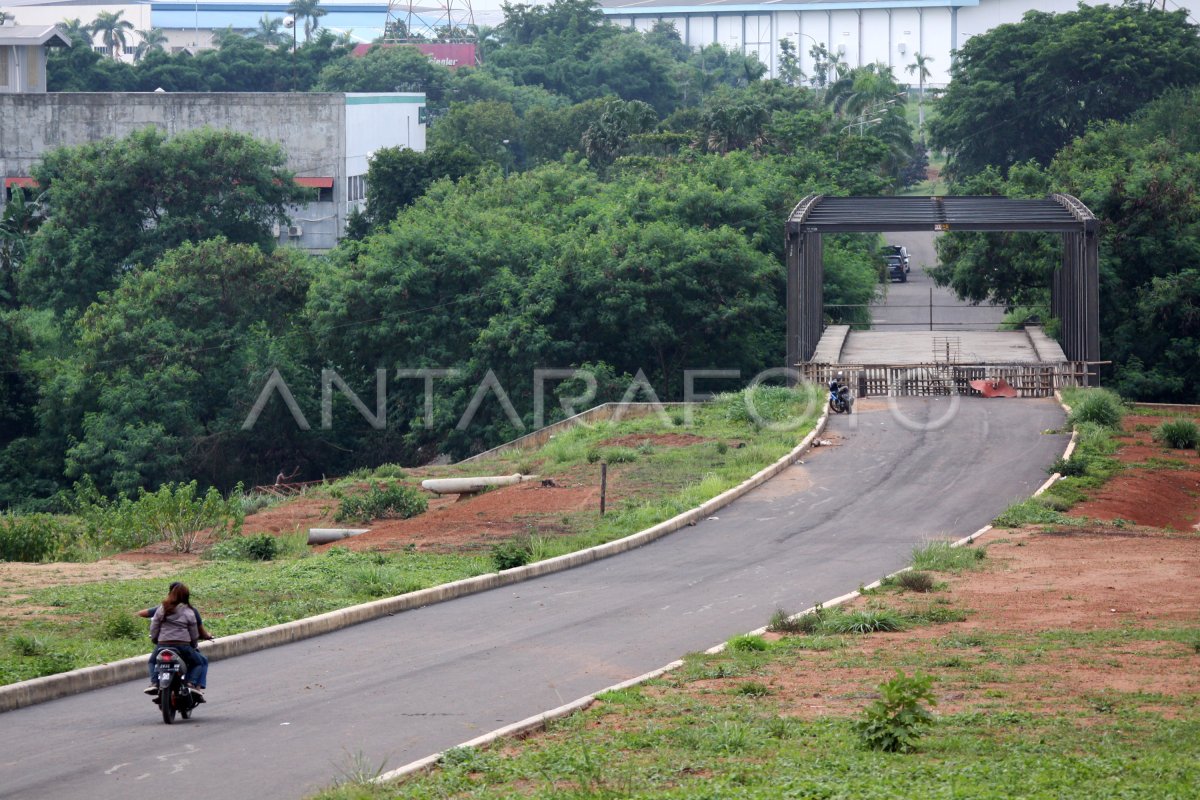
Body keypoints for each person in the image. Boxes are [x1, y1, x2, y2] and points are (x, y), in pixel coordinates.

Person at [143, 583, 211, 697]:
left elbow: (154, 627)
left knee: (152, 661)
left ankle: (154, 682)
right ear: (186, 596)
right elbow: (194, 634)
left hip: (162, 645)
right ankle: (191, 683)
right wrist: (193, 645)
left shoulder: (162, 609)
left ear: (171, 594)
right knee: (199, 662)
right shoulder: (189, 611)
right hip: (182, 646)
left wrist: (156, 641)